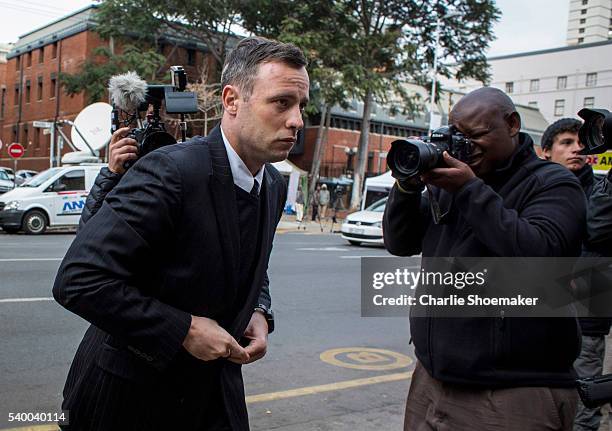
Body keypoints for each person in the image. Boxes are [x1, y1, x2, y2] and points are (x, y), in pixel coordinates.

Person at [52, 36, 309, 431]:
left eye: (300, 106)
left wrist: (259, 308)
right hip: (127, 400)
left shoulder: (272, 185)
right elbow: (78, 279)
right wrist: (184, 329)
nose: (296, 121)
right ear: (231, 100)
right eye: (281, 103)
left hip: (212, 394)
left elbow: (251, 260)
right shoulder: (170, 172)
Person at [383, 87, 587, 430]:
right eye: (458, 136)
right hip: (432, 380)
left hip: (513, 391)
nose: (466, 146)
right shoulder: (451, 181)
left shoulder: (553, 183)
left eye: (477, 135)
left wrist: (468, 190)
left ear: (511, 124)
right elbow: (400, 242)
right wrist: (406, 187)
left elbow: (540, 260)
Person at [541, 118, 612, 431]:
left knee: (582, 407)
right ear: (546, 152)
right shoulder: (535, 191)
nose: (577, 150)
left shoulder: (602, 190)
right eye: (566, 143)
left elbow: (596, 231)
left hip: (587, 316)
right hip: (539, 313)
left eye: (582, 144)